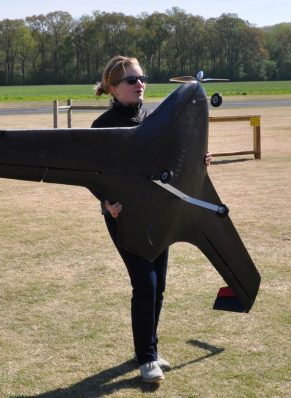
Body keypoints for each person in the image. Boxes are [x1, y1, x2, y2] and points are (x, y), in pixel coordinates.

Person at [90, 55, 210, 383]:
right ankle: (147, 359)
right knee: (145, 283)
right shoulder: (102, 126)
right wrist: (105, 201)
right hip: (126, 217)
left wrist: (199, 160)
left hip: (159, 212)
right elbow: (92, 173)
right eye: (131, 80)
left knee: (158, 288)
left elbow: (176, 156)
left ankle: (149, 350)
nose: (139, 84)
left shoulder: (156, 117)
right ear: (113, 88)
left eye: (143, 78)